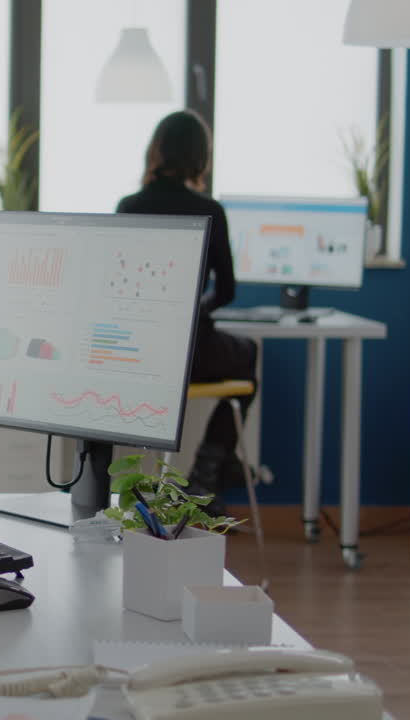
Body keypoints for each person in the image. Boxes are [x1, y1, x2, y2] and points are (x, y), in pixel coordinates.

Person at [116, 109, 258, 516]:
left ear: (157, 150)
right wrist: (195, 309)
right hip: (190, 351)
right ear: (201, 156)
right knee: (249, 354)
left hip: (138, 352)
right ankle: (207, 475)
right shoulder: (210, 209)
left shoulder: (129, 205)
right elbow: (227, 291)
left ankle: (205, 472)